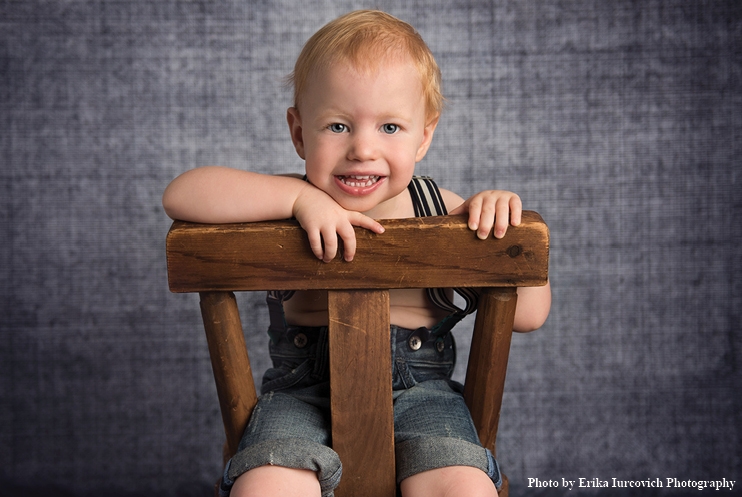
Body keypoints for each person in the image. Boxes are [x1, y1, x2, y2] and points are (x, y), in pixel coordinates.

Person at [163, 9, 551, 497]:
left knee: (463, 485)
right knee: (265, 485)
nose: (363, 149)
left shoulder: (444, 211)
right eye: (338, 126)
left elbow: (529, 315)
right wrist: (299, 200)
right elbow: (181, 194)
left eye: (390, 128)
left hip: (421, 399)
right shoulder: (287, 201)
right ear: (300, 133)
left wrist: (501, 227)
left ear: (424, 136)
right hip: (300, 399)